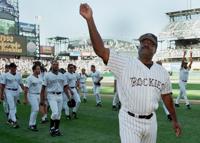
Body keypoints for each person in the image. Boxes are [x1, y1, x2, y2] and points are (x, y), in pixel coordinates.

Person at [80, 3, 181, 143]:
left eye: (150, 43)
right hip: (129, 120)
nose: (146, 44)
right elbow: (101, 51)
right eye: (143, 42)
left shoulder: (162, 72)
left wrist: (175, 120)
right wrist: (90, 20)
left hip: (151, 121)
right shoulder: (125, 63)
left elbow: (167, 97)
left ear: (155, 49)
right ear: (139, 46)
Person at [40, 60, 72, 137]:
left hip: (60, 95)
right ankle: (51, 128)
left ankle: (56, 129)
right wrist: (42, 99)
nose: (56, 66)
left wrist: (69, 97)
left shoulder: (62, 75)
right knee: (55, 113)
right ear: (52, 65)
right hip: (51, 95)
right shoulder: (47, 75)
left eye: (57, 64)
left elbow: (65, 87)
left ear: (58, 65)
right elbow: (43, 88)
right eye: (54, 64)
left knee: (59, 114)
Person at [0, 63, 25, 128]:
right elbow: (2, 86)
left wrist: (25, 90)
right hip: (8, 91)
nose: (14, 69)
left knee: (14, 105)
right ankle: (14, 121)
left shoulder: (18, 75)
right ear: (10, 68)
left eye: (15, 67)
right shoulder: (6, 75)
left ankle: (9, 119)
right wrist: (1, 94)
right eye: (13, 67)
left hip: (16, 91)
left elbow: (21, 84)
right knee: (11, 106)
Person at [24, 64, 43, 131]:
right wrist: (25, 99)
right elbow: (26, 89)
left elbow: (41, 88)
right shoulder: (30, 78)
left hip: (38, 95)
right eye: (37, 69)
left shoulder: (40, 77)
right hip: (32, 95)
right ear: (34, 70)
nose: (39, 70)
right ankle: (31, 124)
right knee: (36, 109)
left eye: (39, 69)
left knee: (34, 110)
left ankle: (33, 124)